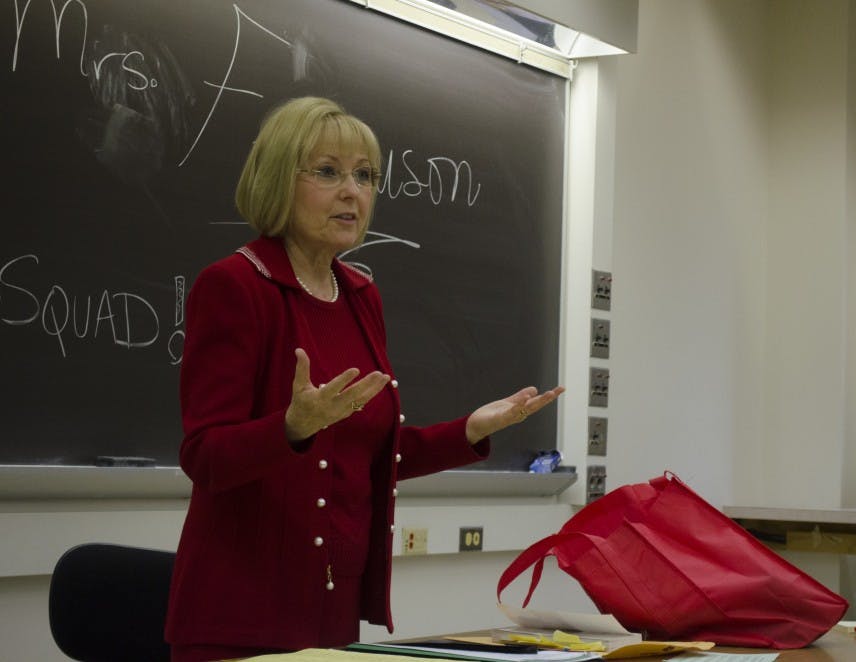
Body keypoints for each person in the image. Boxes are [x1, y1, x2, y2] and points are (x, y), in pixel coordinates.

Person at [164, 96, 564, 661]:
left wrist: (469, 429)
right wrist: (292, 426)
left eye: (365, 175)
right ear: (279, 179)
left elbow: (368, 453)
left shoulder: (360, 296)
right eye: (328, 172)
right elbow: (203, 456)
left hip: (333, 605)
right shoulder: (235, 286)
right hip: (240, 615)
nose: (353, 191)